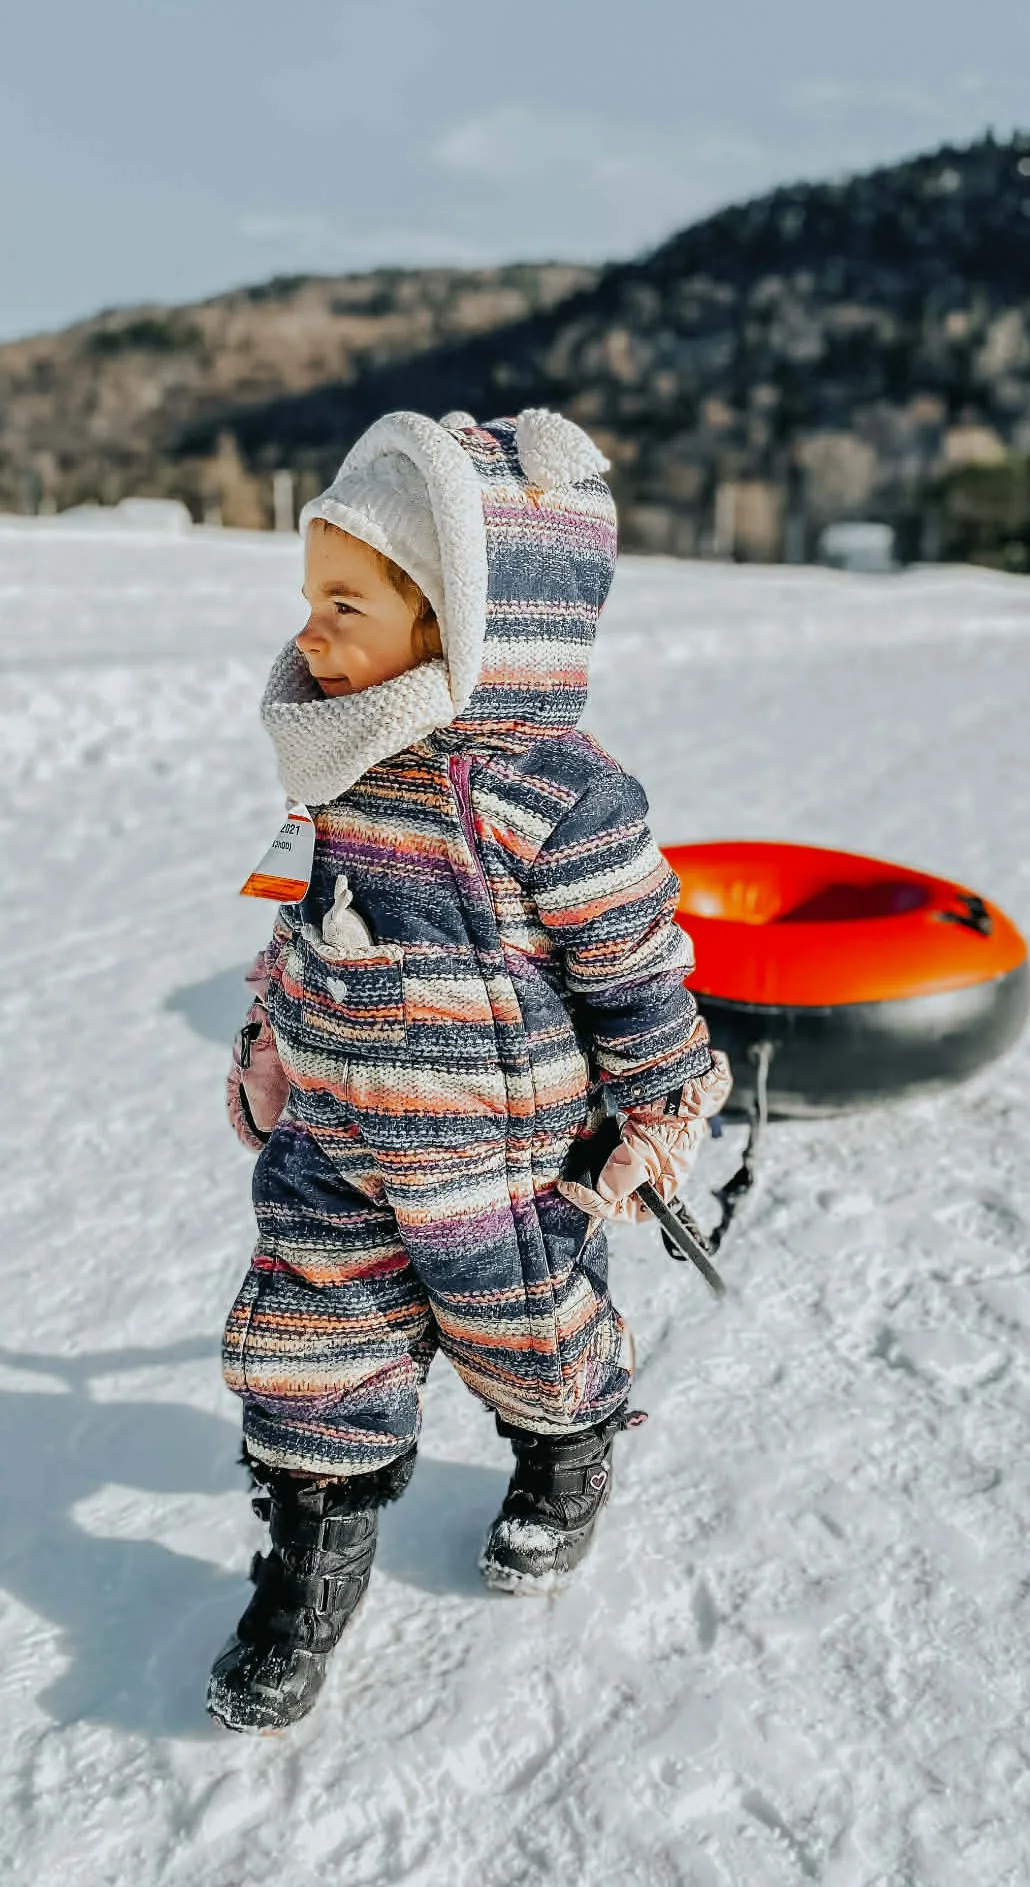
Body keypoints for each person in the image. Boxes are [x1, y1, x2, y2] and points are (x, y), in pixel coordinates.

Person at [210, 406, 731, 1734]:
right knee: (309, 1353)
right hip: (336, 1139)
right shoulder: (339, 766)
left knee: (534, 1338)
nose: (310, 635)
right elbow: (296, 923)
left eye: (346, 604)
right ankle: (306, 1573)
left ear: (466, 621)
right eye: (308, 599)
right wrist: (270, 1039)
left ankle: (567, 1459)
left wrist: (660, 1111)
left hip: (506, 1167)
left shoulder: (559, 799)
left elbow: (633, 973)